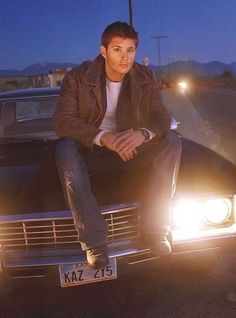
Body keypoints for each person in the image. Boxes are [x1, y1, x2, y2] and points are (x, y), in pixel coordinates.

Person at [53, 21, 182, 270]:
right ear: (103, 51)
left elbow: (162, 117)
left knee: (172, 141)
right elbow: (62, 122)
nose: (125, 57)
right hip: (94, 153)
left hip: (131, 148)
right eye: (117, 50)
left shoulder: (144, 77)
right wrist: (104, 137)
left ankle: (156, 229)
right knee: (65, 148)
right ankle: (94, 243)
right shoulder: (77, 78)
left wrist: (143, 134)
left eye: (130, 50)